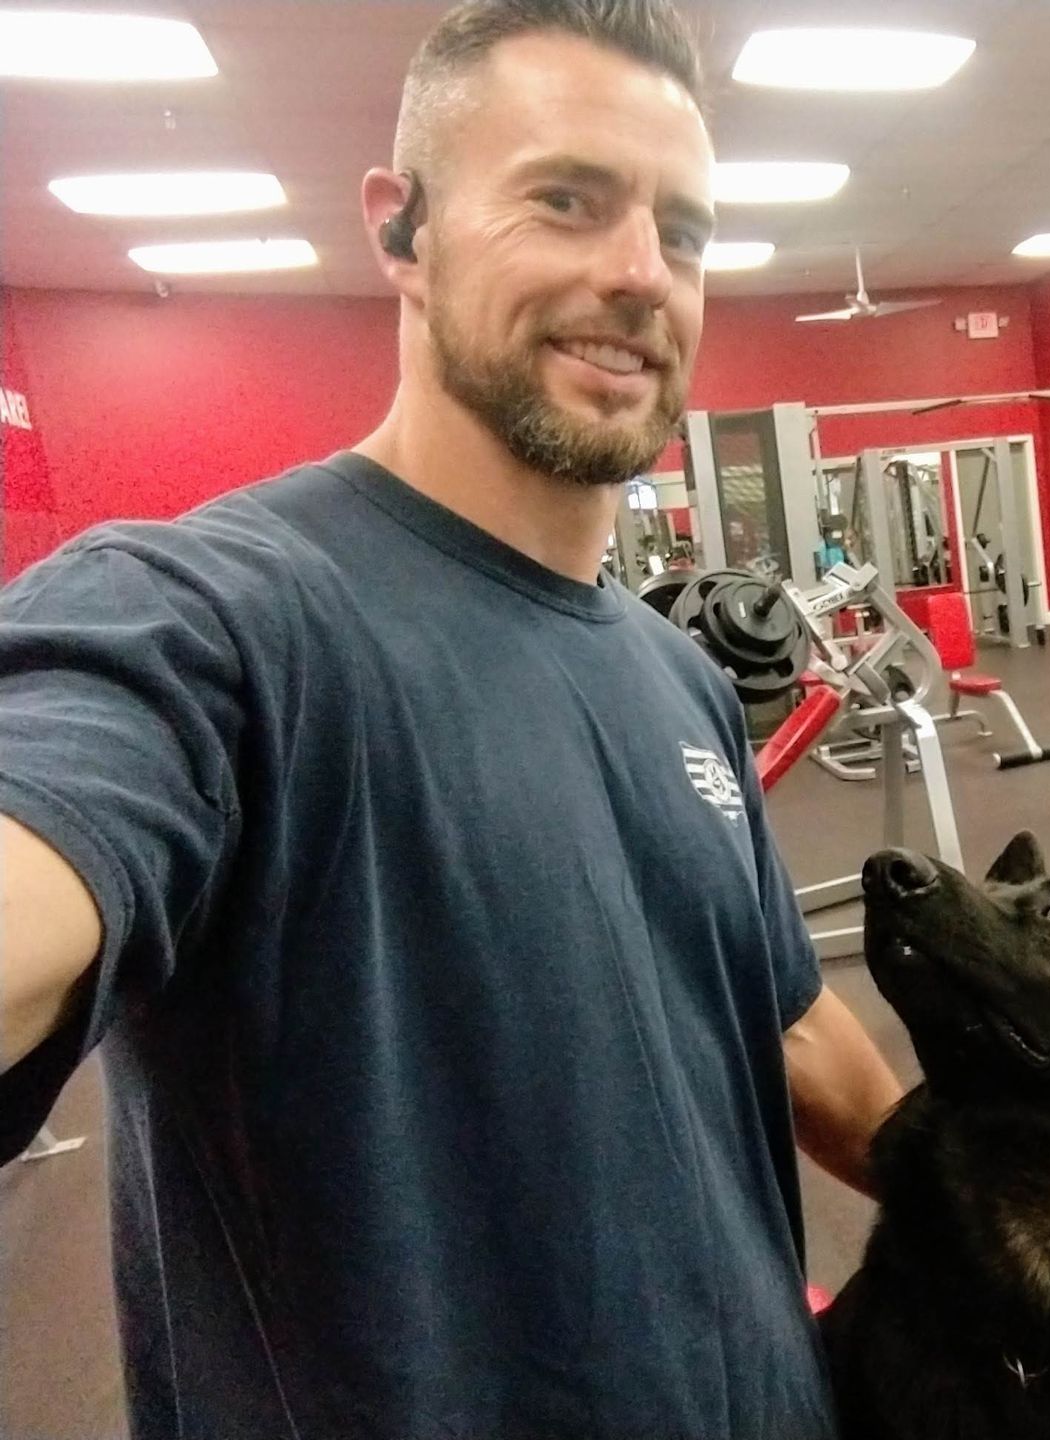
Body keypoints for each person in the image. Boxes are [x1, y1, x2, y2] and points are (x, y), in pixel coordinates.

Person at [0, 3, 903, 1436]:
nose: (636, 273)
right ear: (402, 231)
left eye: (683, 231)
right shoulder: (218, 617)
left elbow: (772, 1014)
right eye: (566, 200)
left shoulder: (671, 679)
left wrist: (1017, 1198)